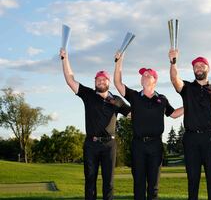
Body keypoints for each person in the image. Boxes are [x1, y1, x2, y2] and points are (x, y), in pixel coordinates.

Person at [60, 49, 131, 200]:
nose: (101, 81)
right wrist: (65, 59)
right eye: (98, 79)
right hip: (91, 145)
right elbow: (70, 80)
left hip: (109, 145)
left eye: (103, 79)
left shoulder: (117, 100)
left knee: (109, 182)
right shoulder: (89, 95)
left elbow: (133, 115)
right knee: (90, 181)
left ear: (108, 82)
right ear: (95, 82)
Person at [114, 51, 183, 200]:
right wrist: (119, 61)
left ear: (155, 80)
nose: (144, 76)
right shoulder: (134, 96)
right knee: (138, 184)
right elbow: (118, 83)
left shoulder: (162, 99)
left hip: (156, 146)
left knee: (153, 186)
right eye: (142, 75)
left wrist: (190, 105)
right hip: (138, 144)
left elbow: (173, 114)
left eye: (148, 74)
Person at [168, 49, 211, 200]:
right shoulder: (187, 88)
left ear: (208, 68)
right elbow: (175, 80)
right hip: (191, 138)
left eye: (202, 65)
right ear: (193, 70)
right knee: (193, 180)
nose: (199, 68)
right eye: (196, 66)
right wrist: (173, 62)